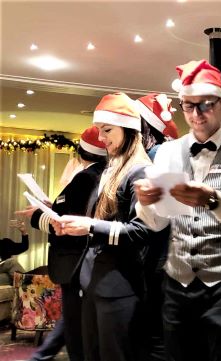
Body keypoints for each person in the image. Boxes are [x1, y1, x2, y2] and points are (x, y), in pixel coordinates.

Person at [135, 59, 221, 361]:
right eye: (188, 106)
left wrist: (213, 200)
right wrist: (146, 204)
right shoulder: (168, 151)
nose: (196, 115)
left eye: (204, 105)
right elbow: (156, 224)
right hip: (176, 279)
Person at [51, 92, 170, 361]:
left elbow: (142, 232)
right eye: (100, 131)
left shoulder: (140, 171)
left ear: (129, 130)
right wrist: (71, 226)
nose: (102, 138)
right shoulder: (112, 168)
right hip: (93, 282)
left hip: (119, 286)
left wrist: (91, 227)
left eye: (107, 130)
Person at [15, 125, 108, 361]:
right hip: (87, 264)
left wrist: (38, 214)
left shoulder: (85, 178)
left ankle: (41, 356)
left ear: (80, 153)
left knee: (77, 329)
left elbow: (66, 223)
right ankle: (42, 356)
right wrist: (52, 205)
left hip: (75, 263)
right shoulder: (106, 175)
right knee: (75, 320)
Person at [134, 92, 180, 361]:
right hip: (161, 256)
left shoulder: (157, 154)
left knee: (156, 334)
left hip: (159, 255)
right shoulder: (161, 153)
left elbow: (163, 216)